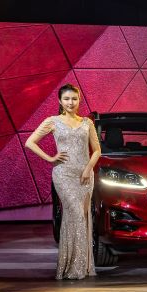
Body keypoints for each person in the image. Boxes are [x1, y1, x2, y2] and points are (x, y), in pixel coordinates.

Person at [24, 84, 101, 280]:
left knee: (80, 218)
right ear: (60, 100)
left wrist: (88, 168)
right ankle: (73, 267)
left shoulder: (87, 123)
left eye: (74, 98)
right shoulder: (53, 121)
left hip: (85, 176)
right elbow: (30, 142)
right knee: (76, 214)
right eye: (66, 99)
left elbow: (97, 151)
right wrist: (50, 158)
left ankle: (80, 265)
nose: (70, 102)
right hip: (64, 175)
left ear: (79, 99)